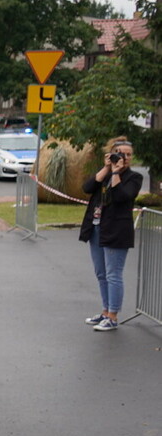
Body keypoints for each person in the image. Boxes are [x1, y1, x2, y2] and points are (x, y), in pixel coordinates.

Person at [79, 137, 142, 331]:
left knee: (114, 274)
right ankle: (105, 312)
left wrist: (116, 173)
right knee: (101, 274)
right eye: (121, 153)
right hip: (97, 229)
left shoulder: (134, 177)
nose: (126, 157)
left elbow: (123, 196)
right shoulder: (106, 173)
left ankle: (113, 316)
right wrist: (107, 169)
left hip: (117, 231)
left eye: (129, 154)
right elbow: (88, 188)